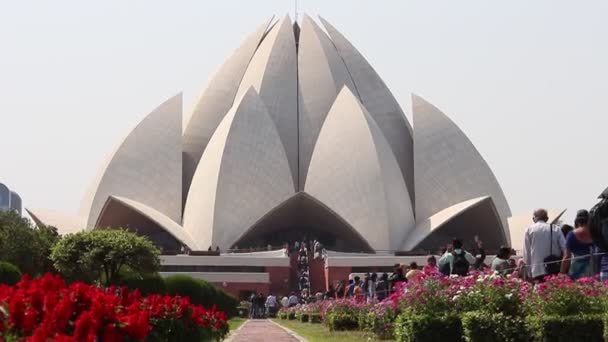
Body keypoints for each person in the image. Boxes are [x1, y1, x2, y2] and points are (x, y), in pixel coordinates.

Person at [523, 209, 566, 282]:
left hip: (536, 270)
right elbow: (565, 248)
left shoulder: (529, 230)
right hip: (553, 268)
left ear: (533, 218)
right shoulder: (556, 228)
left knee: (540, 291)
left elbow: (526, 254)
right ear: (547, 219)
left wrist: (529, 273)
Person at [560, 210, 595, 279]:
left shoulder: (572, 234)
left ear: (577, 220)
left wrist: (562, 274)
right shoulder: (595, 232)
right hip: (594, 268)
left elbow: (567, 257)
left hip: (577, 270)